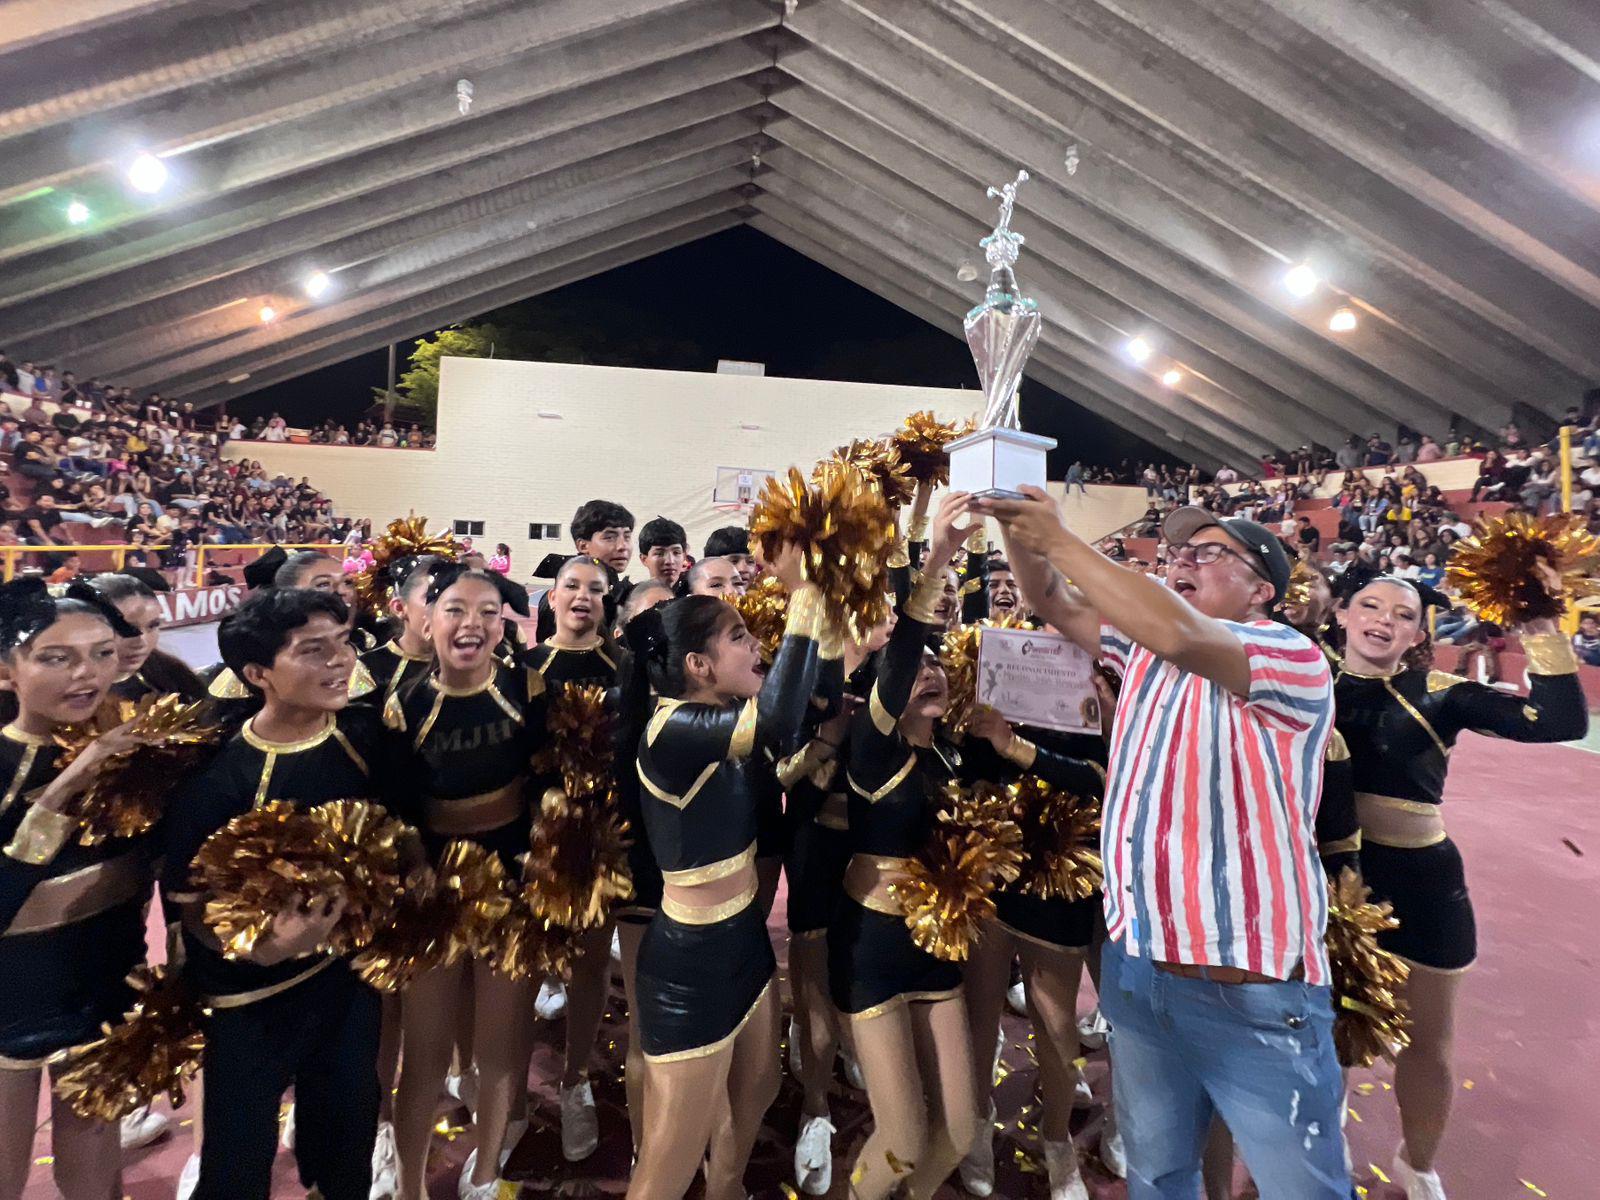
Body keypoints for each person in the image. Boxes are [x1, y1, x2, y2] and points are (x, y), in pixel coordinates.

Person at [977, 490, 1348, 1198]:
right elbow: (1047, 598)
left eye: (1210, 554)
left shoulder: (1287, 654)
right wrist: (1016, 522)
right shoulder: (1144, 651)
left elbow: (1181, 635)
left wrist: (1056, 536)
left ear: (1260, 588)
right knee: (1157, 1173)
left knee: (1304, 1189)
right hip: (1140, 973)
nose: (1184, 561)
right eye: (1180, 551)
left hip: (1251, 989)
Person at [1333, 570, 1587, 1200]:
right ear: (1342, 613)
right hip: (1332, 881)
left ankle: (1417, 1163)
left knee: (1429, 1042)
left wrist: (1541, 633)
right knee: (1325, 1026)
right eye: (1369, 604)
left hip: (1424, 883)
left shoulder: (1440, 692)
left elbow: (1555, 721)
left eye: (1402, 613)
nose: (1383, 618)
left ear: (1420, 632)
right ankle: (1323, 1123)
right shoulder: (1304, 682)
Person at [161, 589, 387, 1200]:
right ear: (258, 674)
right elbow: (188, 905)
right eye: (314, 651)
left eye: (343, 644)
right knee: (238, 1153)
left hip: (347, 979)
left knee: (346, 1132)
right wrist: (258, 950)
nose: (339, 662)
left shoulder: (365, 739)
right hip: (251, 998)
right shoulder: (219, 780)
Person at [617, 540, 825, 1200]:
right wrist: (806, 594)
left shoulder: (720, 726)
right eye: (739, 637)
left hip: (746, 943)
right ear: (698, 664)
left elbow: (768, 760)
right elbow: (781, 714)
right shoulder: (673, 728)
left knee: (757, 1091)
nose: (754, 646)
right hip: (690, 964)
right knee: (668, 1162)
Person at [828, 494, 981, 1200]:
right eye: (916, 670)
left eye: (938, 670)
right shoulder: (874, 750)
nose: (928, 673)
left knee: (960, 1129)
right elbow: (902, 656)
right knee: (903, 1136)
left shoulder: (954, 757)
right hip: (872, 946)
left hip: (938, 947)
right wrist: (938, 552)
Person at [384, 566, 545, 1200]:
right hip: (432, 896)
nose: (470, 623)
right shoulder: (404, 706)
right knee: (424, 1056)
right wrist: (416, 869)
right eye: (454, 609)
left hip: (513, 885)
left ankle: (485, 1174)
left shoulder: (528, 689)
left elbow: (548, 783)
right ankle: (409, 1185)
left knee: (500, 1048)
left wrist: (546, 855)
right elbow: (393, 809)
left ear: (504, 625)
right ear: (428, 621)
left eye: (487, 611)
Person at [0, 581, 148, 1200]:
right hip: (9, 998)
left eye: (102, 653)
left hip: (101, 987)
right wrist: (71, 781)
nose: (85, 674)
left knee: (93, 1176)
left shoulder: (135, 752)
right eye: (55, 657)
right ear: (7, 669)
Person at [523, 556, 622, 1162]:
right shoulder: (525, 668)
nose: (583, 597)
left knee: (589, 962)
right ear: (552, 599)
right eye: (573, 588)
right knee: (527, 961)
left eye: (596, 590)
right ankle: (510, 1097)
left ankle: (576, 1077)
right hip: (534, 835)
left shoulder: (626, 667)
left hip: (602, 835)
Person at [570, 499, 635, 580]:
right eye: (609, 538)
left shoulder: (633, 591)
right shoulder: (566, 591)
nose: (622, 546)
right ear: (583, 546)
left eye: (627, 537)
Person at [637, 516, 688, 593]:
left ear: (684, 556)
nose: (670, 561)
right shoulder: (634, 599)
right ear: (644, 559)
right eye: (659, 553)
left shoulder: (694, 599)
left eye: (676, 553)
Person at [703, 527, 758, 592]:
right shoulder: (699, 601)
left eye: (750, 562)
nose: (743, 569)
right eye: (733, 561)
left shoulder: (768, 599)